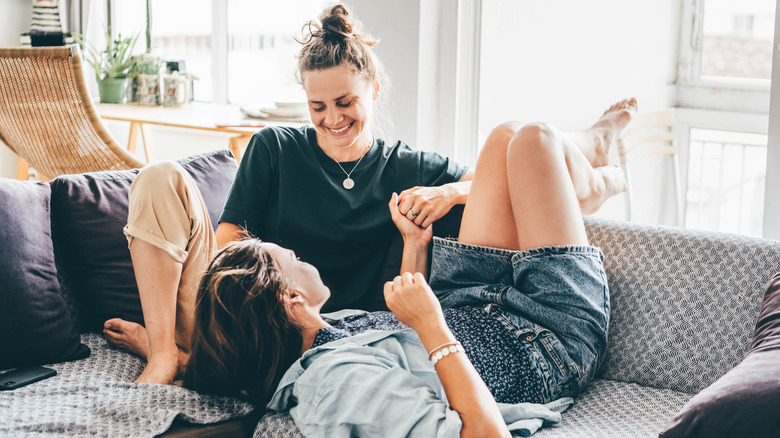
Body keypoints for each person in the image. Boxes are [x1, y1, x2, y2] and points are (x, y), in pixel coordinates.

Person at [103, 2, 630, 386]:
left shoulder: (412, 167)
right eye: (317, 107)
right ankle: (169, 354)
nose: (332, 119)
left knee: (517, 143)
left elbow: (508, 186)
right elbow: (231, 256)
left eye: (344, 101)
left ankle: (596, 155)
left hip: (337, 334)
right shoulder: (276, 149)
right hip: (257, 314)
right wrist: (244, 307)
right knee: (158, 176)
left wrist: (450, 192)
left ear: (373, 88)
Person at [183, 99, 637, 436]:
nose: (302, 257)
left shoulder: (316, 332)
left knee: (505, 138)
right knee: (535, 138)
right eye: (293, 260)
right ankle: (596, 172)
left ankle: (589, 160)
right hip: (547, 339)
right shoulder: (343, 387)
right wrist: (433, 326)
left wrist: (414, 245)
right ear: (291, 298)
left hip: (470, 303)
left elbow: (403, 338)